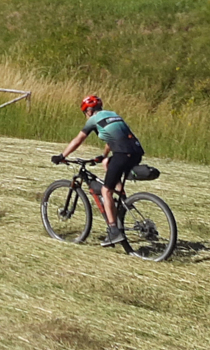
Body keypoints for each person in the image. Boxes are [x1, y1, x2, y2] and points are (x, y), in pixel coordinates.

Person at [52, 95, 144, 246]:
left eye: (85, 113)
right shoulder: (113, 115)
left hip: (122, 154)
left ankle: (114, 231)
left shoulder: (93, 120)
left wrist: (62, 155)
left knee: (106, 191)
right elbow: (112, 139)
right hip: (136, 152)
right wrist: (103, 156)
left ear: (88, 111)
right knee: (108, 163)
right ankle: (122, 197)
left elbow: (78, 140)